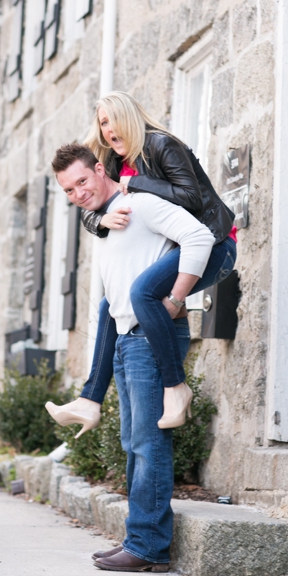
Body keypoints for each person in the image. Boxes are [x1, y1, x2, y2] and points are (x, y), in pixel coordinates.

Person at [52, 142, 214, 572]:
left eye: (82, 181)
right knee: (133, 443)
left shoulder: (141, 203)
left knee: (148, 442)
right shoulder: (104, 223)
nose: (78, 193)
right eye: (69, 190)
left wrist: (177, 298)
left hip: (151, 336)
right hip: (127, 339)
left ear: (100, 171)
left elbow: (200, 236)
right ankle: (138, 538)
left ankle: (148, 547)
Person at [45, 92, 236, 437]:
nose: (108, 129)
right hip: (179, 249)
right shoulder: (115, 163)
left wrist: (134, 183)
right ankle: (90, 400)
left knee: (142, 292)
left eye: (113, 119)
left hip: (215, 242)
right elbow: (94, 206)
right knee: (108, 305)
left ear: (130, 117)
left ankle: (176, 388)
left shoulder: (161, 145)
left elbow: (191, 198)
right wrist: (101, 222)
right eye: (103, 123)